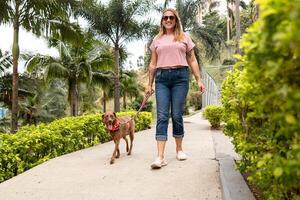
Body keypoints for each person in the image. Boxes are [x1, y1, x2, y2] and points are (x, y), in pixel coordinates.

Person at [146, 8, 205, 169]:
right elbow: (152, 64)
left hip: (180, 77)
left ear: (176, 19)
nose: (168, 20)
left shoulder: (184, 37)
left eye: (171, 17)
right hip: (162, 79)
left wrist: (199, 79)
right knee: (162, 116)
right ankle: (160, 157)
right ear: (162, 21)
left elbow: (192, 60)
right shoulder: (157, 39)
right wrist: (149, 84)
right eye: (165, 17)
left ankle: (179, 149)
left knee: (177, 115)